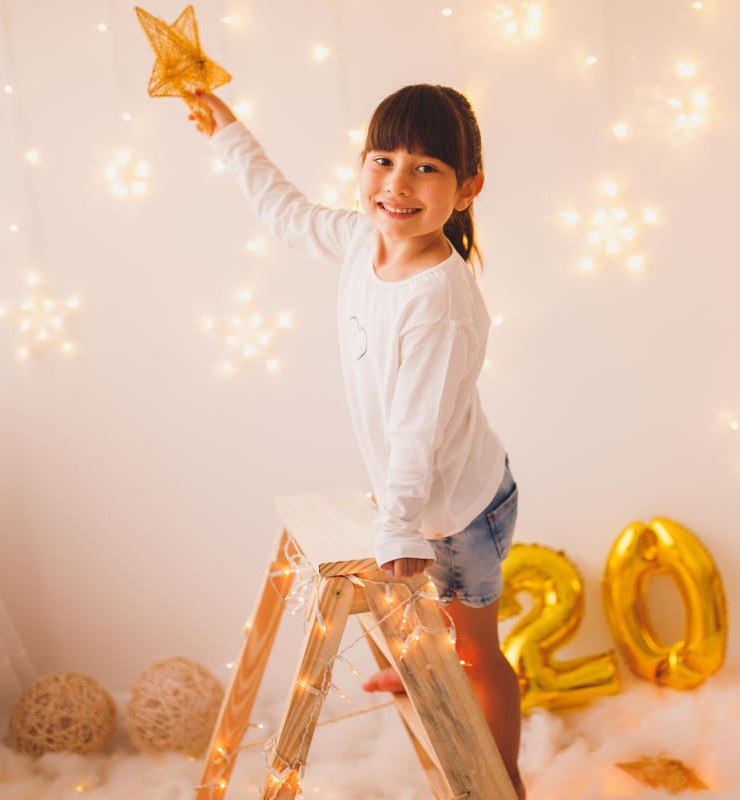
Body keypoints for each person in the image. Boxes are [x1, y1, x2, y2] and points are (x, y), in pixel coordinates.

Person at [191, 85, 524, 799]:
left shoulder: (440, 298)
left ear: (468, 189)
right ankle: (406, 667)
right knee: (402, 614)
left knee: (473, 653)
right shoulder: (360, 241)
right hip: (410, 492)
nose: (398, 183)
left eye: (427, 168)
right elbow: (284, 211)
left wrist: (399, 520)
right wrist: (227, 131)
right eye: (383, 159)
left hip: (463, 507)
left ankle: (503, 781)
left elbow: (418, 425)